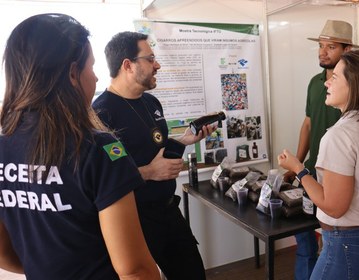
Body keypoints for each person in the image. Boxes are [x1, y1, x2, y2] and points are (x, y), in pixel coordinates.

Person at [0, 14, 160, 280]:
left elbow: (3, 254)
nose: (96, 78)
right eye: (91, 67)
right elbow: (135, 271)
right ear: (73, 74)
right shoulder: (99, 150)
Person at [93, 31, 214, 280]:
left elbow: (154, 148)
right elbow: (104, 179)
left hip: (168, 211)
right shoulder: (102, 113)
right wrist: (149, 172)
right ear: (128, 65)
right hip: (134, 220)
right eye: (150, 59)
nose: (157, 64)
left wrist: (184, 140)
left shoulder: (151, 103)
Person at [279, 48, 359, 279]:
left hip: (350, 247)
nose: (327, 84)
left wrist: (298, 169)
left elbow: (334, 207)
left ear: (355, 85)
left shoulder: (339, 136)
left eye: (335, 77)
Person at [282, 19, 359, 280]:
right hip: (309, 174)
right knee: (304, 239)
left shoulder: (358, 88)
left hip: (338, 176)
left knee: (333, 241)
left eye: (331, 47)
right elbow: (308, 124)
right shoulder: (315, 83)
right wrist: (297, 166)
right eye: (321, 46)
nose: (323, 52)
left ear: (347, 50)